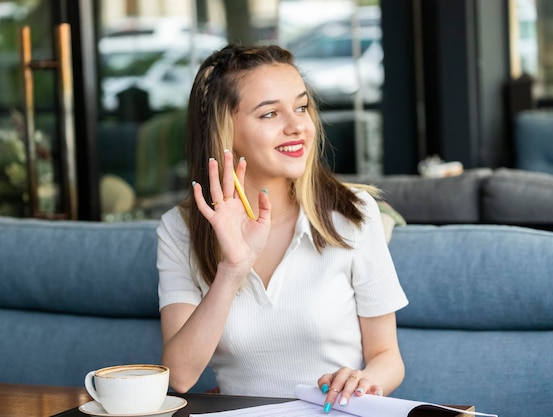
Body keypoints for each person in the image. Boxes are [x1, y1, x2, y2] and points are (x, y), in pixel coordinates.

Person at [156, 44, 408, 412]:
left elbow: (388, 357)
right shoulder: (179, 229)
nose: (298, 126)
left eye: (302, 107)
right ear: (225, 130)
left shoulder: (353, 213)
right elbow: (179, 377)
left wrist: (363, 382)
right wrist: (232, 269)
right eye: (270, 113)